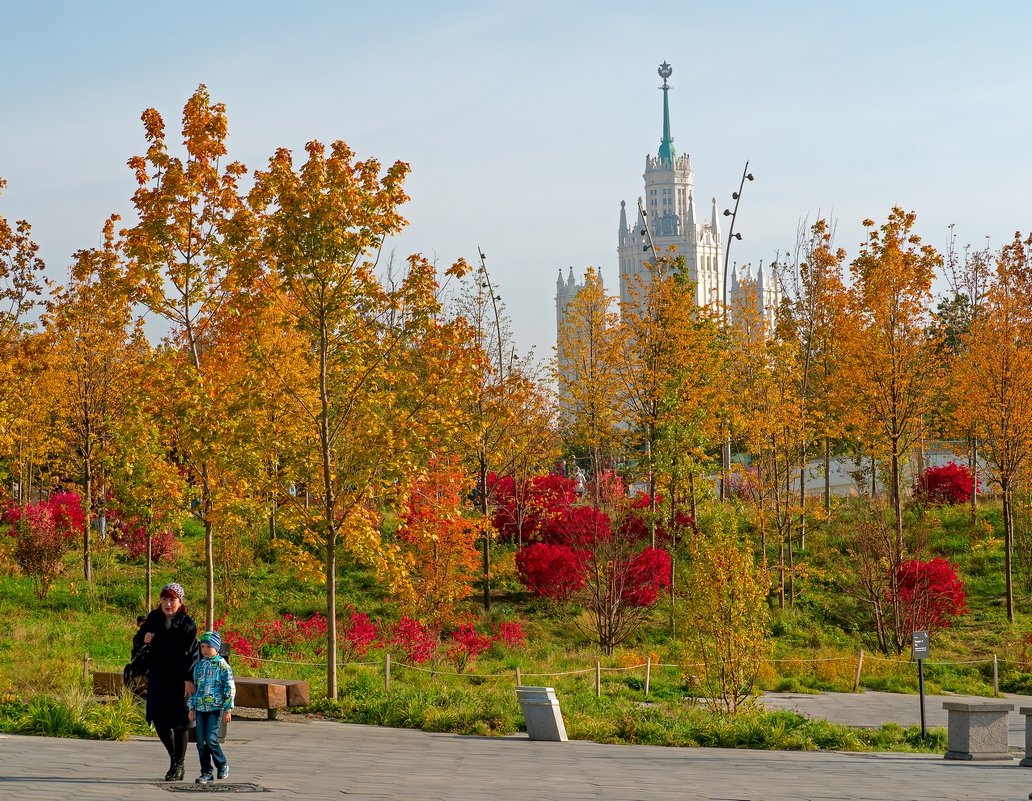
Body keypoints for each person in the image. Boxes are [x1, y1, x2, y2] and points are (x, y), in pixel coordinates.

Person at [141, 582, 199, 782]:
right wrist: (145, 639)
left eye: (172, 599)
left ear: (180, 601)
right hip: (158, 676)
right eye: (165, 599)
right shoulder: (154, 618)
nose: (168, 603)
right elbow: (139, 641)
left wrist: (188, 679)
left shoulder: (186, 624)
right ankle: (174, 759)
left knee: (180, 722)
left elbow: (192, 654)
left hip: (179, 679)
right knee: (159, 719)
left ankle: (179, 764)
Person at [188, 630, 235, 784]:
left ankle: (222, 764)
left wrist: (228, 708)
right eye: (202, 647)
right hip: (200, 708)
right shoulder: (199, 667)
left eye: (209, 646)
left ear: (216, 647)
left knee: (211, 739)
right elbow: (196, 688)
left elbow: (229, 687)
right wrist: (192, 707)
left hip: (215, 708)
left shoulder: (223, 667)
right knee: (201, 742)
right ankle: (206, 772)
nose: (205, 650)